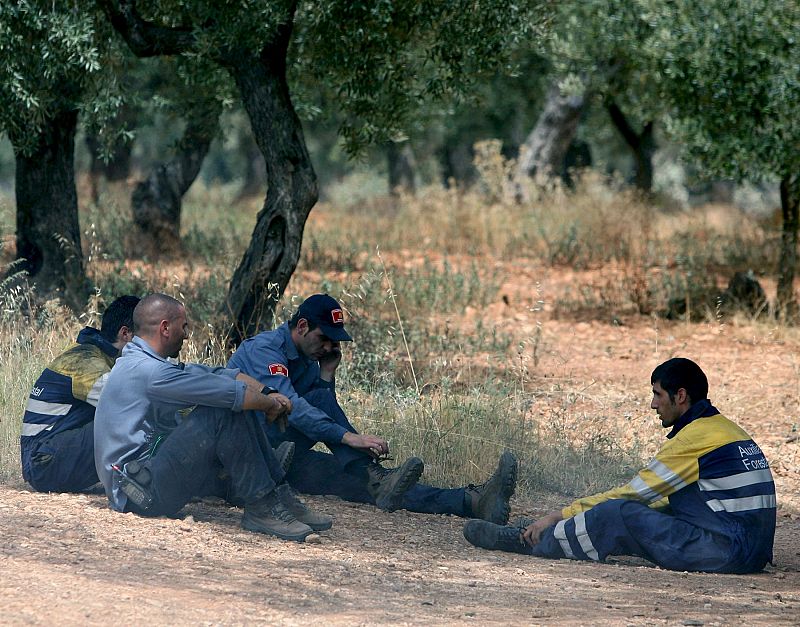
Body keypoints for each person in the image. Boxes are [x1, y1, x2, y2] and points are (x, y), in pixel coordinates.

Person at [463, 358, 777, 574]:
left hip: (727, 552)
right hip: (750, 552)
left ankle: (530, 543)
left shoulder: (694, 439)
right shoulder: (727, 429)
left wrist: (557, 514)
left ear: (681, 396)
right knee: (645, 513)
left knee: (619, 513)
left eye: (658, 394)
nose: (653, 404)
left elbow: (633, 495)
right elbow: (687, 500)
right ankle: (554, 532)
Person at [228, 293, 518, 523]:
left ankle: (471, 502)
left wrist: (327, 374)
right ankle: (374, 475)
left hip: (283, 456)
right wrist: (349, 437)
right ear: (302, 326)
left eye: (334, 341)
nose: (329, 347)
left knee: (361, 483)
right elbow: (296, 409)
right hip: (247, 454)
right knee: (362, 467)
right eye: (324, 338)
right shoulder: (264, 350)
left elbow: (319, 410)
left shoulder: (307, 356)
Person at [94, 293, 331, 542]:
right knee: (225, 408)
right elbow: (227, 393)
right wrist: (268, 405)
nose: (186, 334)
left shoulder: (142, 363)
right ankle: (262, 507)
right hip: (141, 494)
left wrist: (268, 392)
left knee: (235, 400)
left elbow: (217, 374)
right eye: (183, 326)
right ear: (165, 328)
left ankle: (278, 496)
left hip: (143, 481)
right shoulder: (150, 372)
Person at [21, 295, 140, 493]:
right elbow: (131, 404)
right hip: (42, 463)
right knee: (130, 417)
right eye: (146, 336)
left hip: (44, 457)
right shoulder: (86, 363)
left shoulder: (93, 354)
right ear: (125, 333)